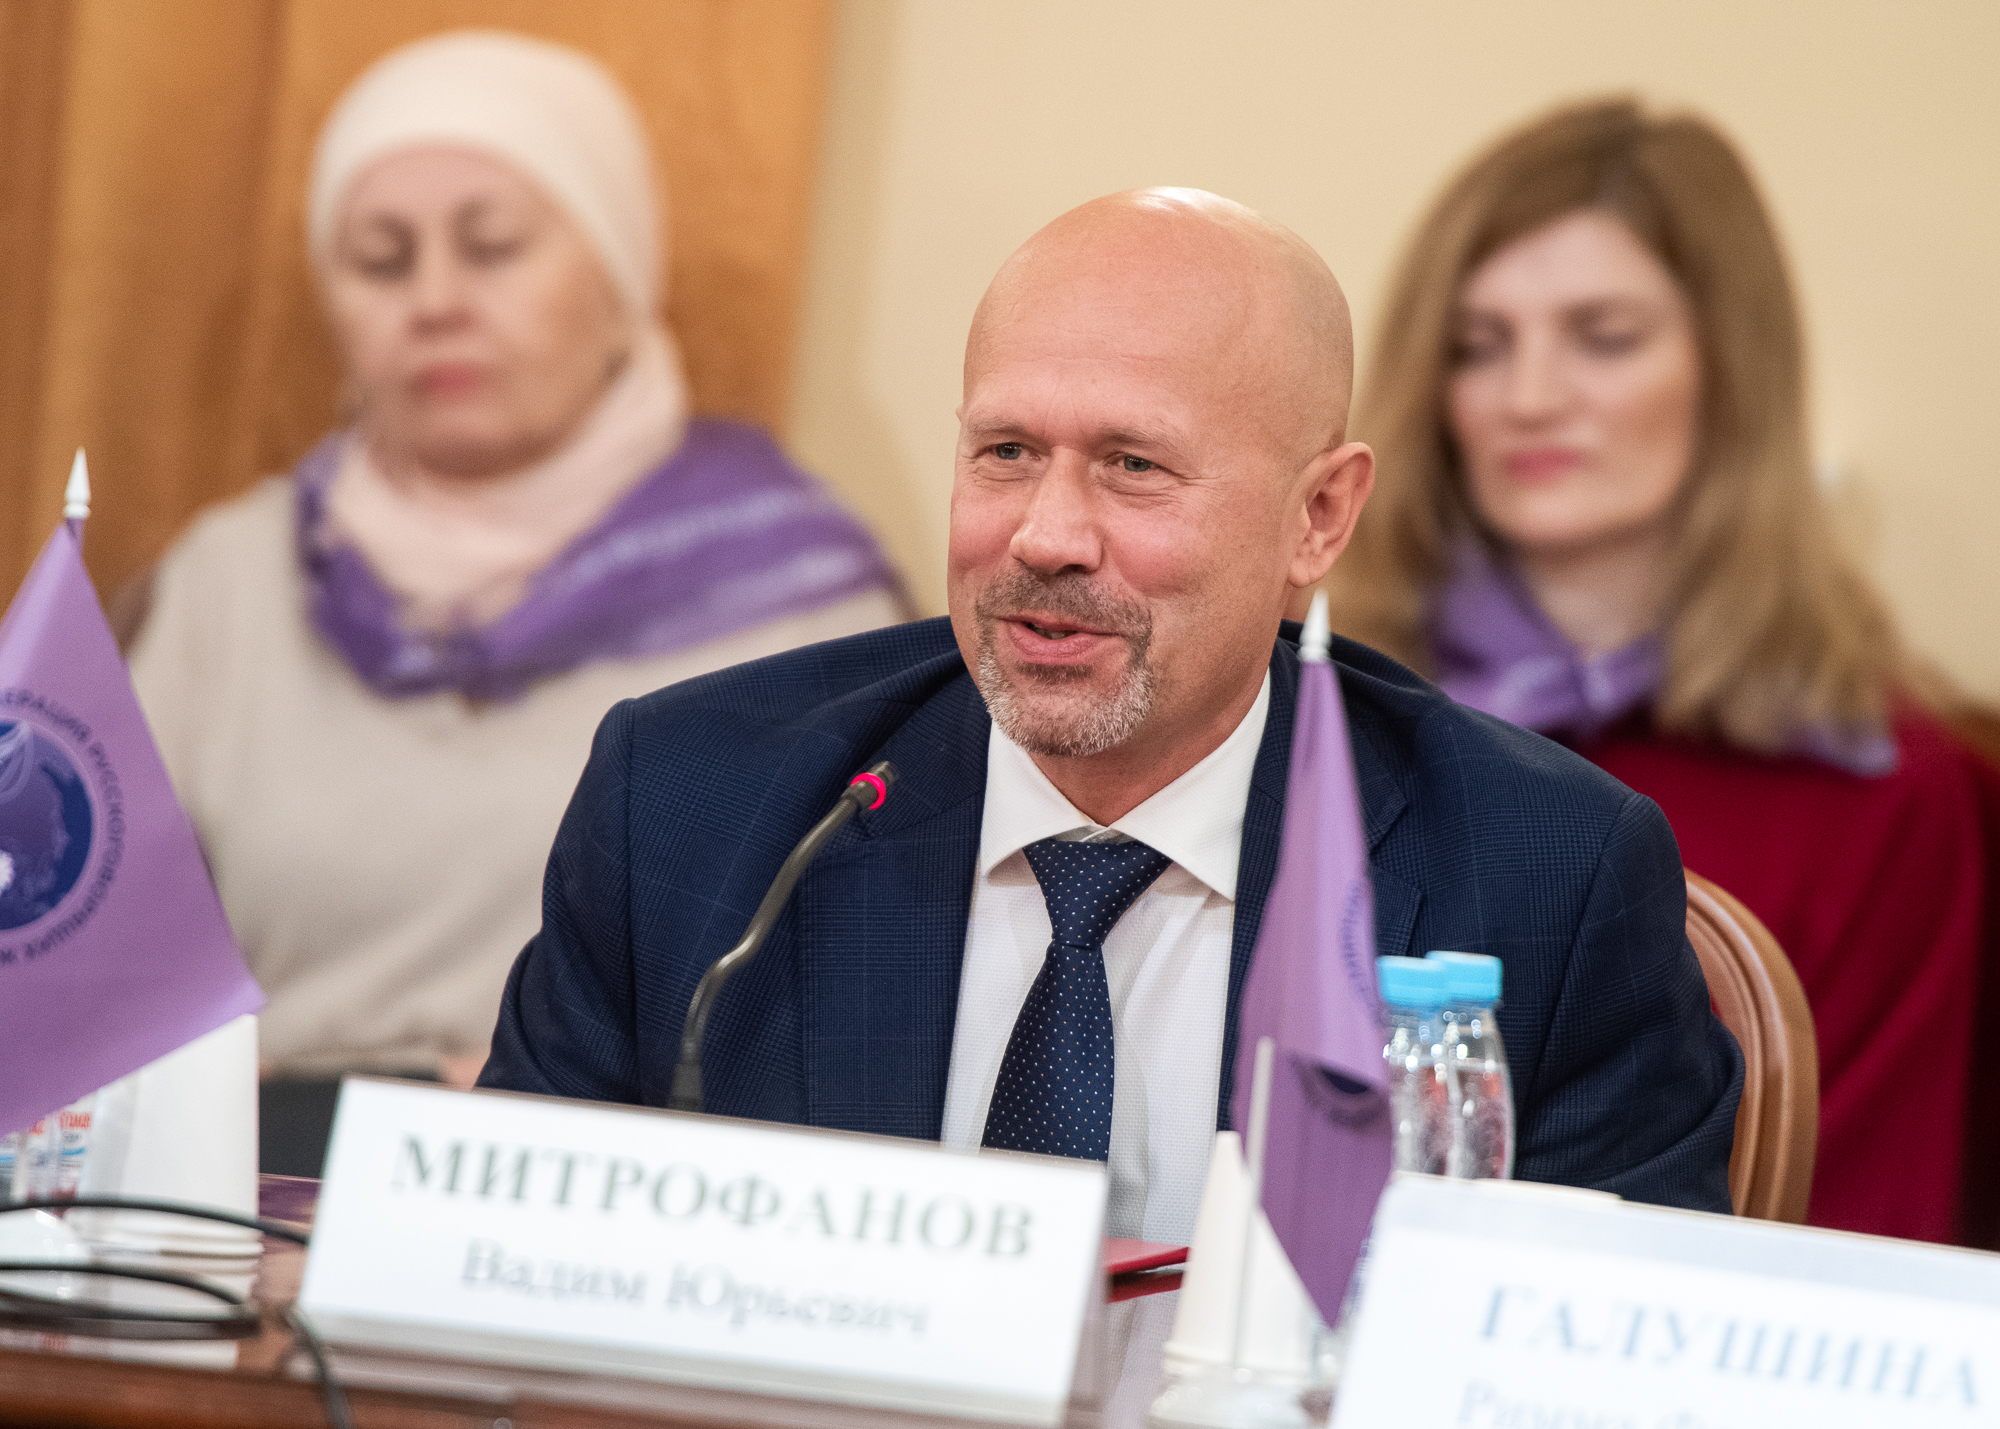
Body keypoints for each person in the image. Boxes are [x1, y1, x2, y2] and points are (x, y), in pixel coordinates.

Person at [482, 188, 1741, 1246]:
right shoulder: (692, 801)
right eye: (1005, 452)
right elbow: (495, 1297)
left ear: (1317, 518)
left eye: (1133, 466)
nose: (1044, 536)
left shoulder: (1543, 878)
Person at [125, 31, 904, 1173]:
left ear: (618, 275)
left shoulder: (799, 601)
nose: (435, 300)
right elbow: (82, 942)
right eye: (381, 260)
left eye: (491, 248)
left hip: (601, 1201)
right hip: (237, 1193)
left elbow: (853, 994)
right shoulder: (228, 583)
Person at [1323, 97, 1997, 1245]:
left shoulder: (1887, 793)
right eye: (1477, 345)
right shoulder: (1325, 715)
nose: (1528, 397)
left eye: (1603, 336)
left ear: (1729, 373)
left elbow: (1859, 1245)